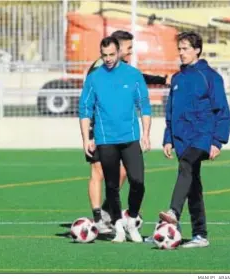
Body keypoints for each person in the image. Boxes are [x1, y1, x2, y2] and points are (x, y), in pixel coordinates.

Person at [85, 30, 170, 231]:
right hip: (100, 129)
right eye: (129, 48)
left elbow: (136, 78)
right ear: (119, 47)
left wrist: (161, 79)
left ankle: (107, 211)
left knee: (123, 172)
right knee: (98, 172)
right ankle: (98, 217)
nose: (131, 52)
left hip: (119, 132)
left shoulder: (123, 68)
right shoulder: (100, 68)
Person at [159, 31, 230, 248]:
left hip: (202, 136)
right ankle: (200, 235)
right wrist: (168, 138)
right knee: (193, 185)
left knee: (187, 164)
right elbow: (171, 112)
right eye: (179, 49)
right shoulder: (178, 79)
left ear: (197, 50)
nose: (181, 53)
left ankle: (173, 211)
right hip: (181, 139)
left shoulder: (210, 77)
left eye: (186, 49)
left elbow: (222, 111)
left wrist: (217, 141)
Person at [79, 36, 152, 243]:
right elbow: (85, 109)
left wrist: (146, 134)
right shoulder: (94, 78)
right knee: (112, 186)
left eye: (112, 54)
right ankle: (119, 225)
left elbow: (144, 106)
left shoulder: (133, 75)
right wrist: (86, 139)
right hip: (105, 140)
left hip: (130, 138)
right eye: (104, 55)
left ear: (118, 51)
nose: (108, 59)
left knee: (138, 182)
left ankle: (132, 217)